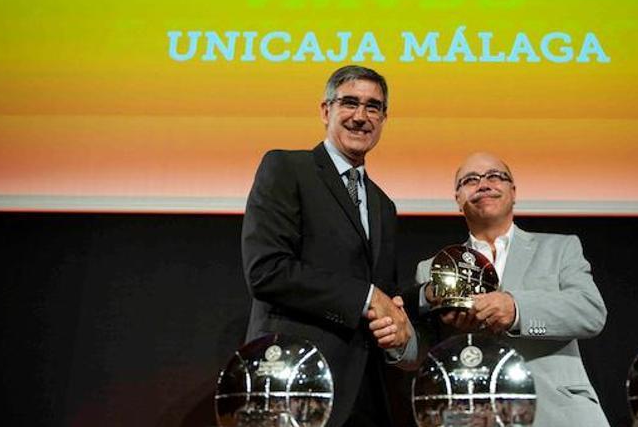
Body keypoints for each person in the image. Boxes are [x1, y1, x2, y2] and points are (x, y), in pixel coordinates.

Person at [241, 65, 416, 427]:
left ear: (384, 118)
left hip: (365, 394)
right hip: (294, 382)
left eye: (373, 107)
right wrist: (367, 297)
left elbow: (384, 294)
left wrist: (403, 322)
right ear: (325, 110)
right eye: (349, 102)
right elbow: (267, 271)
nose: (360, 116)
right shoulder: (287, 168)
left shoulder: (384, 205)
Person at [407, 152, 609, 427]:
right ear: (457, 199)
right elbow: (422, 351)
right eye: (470, 180)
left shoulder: (559, 248)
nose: (484, 184)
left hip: (559, 413)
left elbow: (590, 311)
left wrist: (516, 310)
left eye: (495, 176)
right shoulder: (433, 269)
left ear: (513, 192)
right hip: (474, 416)